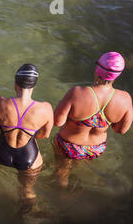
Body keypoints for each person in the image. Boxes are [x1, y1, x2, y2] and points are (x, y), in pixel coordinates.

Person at [53, 52, 132, 187]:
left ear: (97, 68)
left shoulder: (77, 92)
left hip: (69, 145)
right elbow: (121, 130)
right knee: (79, 165)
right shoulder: (125, 98)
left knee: (62, 172)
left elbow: (57, 122)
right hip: (96, 148)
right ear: (118, 74)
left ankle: (60, 196)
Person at [0, 64, 54, 205]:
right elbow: (45, 135)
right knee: (28, 190)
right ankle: (26, 216)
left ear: (15, 83)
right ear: (34, 85)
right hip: (28, 157)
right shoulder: (45, 108)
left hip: (1, 152)